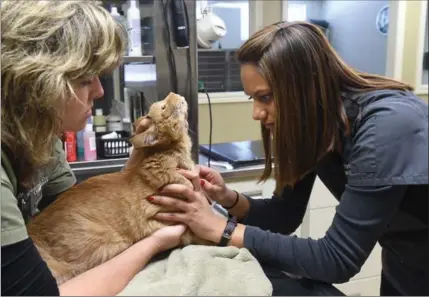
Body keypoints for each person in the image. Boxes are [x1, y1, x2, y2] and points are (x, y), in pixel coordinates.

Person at [148, 21, 429, 296]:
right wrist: (228, 198)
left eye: (266, 97)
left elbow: (336, 259)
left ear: (306, 88)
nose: (256, 113)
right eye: (252, 99)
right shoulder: (315, 127)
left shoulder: (388, 125)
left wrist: (221, 229)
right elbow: (284, 216)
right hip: (405, 264)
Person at [1, 1, 187, 295]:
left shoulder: (43, 136)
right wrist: (157, 241)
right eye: (87, 79)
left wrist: (135, 174)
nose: (100, 92)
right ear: (35, 81)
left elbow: (70, 219)